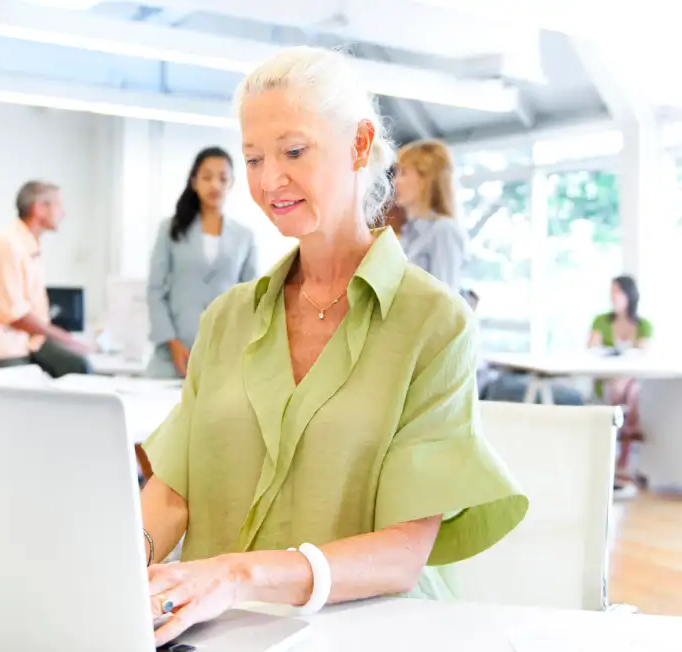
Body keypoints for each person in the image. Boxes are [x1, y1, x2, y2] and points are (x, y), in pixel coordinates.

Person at [139, 46, 528, 647]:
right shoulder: (227, 319)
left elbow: (402, 552)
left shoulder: (433, 322)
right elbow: (172, 492)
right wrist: (117, 566)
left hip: (363, 632)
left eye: (294, 152)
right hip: (219, 632)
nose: (270, 181)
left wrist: (238, 575)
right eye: (253, 159)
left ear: (358, 145)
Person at [0, 181, 91, 378]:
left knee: (78, 367)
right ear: (39, 209)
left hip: (23, 343)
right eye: (58, 205)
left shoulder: (27, 247)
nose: (63, 213)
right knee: (73, 369)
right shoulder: (6, 245)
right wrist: (67, 339)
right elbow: (15, 316)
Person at [147, 146, 258, 378]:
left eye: (222, 178)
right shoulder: (170, 230)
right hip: (173, 354)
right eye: (207, 177)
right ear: (194, 181)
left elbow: (252, 298)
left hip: (224, 355)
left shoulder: (244, 237)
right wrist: (172, 342)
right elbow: (155, 290)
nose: (214, 185)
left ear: (232, 183)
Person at [588, 275, 653, 497]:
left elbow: (645, 353)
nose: (613, 296)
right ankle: (623, 460)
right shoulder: (601, 321)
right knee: (621, 388)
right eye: (611, 291)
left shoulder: (643, 325)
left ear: (629, 295)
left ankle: (622, 462)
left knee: (629, 388)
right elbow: (591, 348)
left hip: (632, 383)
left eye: (618, 291)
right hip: (606, 382)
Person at [394, 139, 468, 293]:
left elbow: (446, 301)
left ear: (426, 179)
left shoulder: (444, 230)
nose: (395, 181)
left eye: (403, 173)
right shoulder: (408, 232)